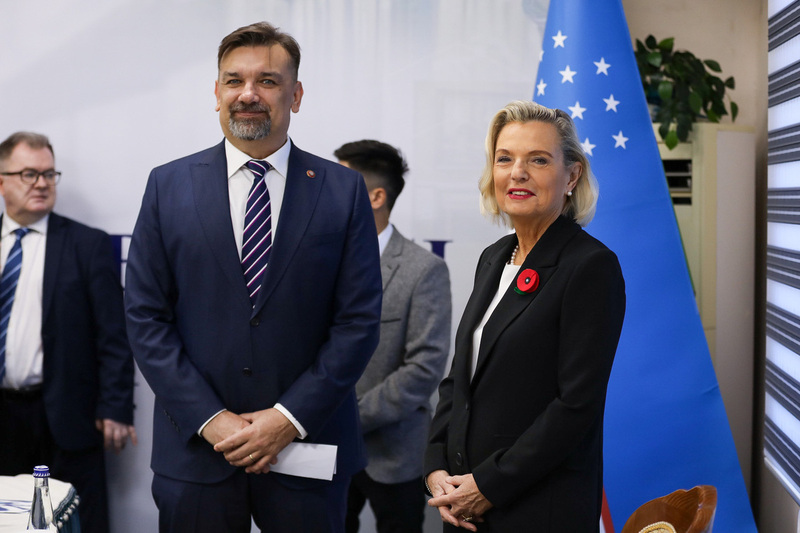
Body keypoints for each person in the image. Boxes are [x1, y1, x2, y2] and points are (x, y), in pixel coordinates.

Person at [124, 22, 382, 533]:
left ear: (296, 94)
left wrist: (286, 420)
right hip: (196, 453)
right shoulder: (167, 185)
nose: (248, 95)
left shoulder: (343, 191)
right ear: (216, 93)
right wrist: (211, 420)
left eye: (267, 80)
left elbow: (357, 323)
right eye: (233, 80)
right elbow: (145, 317)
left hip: (307, 451)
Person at [424, 100, 626, 531]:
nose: (517, 172)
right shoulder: (494, 257)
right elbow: (461, 377)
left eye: (538, 159)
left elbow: (576, 405)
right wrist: (436, 469)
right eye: (505, 159)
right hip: (462, 500)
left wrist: (488, 486)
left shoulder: (590, 266)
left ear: (572, 175)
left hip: (537, 507)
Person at [0, 131, 137, 533]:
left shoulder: (86, 245)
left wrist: (115, 406)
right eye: (29, 173)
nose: (41, 183)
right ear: (2, 180)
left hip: (64, 415)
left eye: (49, 173)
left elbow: (113, 335)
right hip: (3, 419)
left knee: (73, 521)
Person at [334, 140, 452, 533]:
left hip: (395, 451)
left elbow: (424, 368)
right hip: (322, 449)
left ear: (375, 197)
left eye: (339, 181)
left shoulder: (424, 270)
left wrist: (348, 416)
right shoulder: (316, 260)